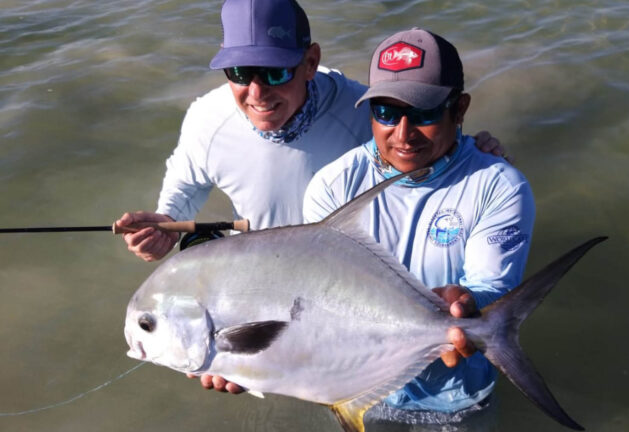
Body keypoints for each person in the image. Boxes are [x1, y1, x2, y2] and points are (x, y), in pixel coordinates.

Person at [115, 0, 505, 263]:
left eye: (275, 72)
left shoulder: (361, 113)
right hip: (263, 277)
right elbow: (186, 188)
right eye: (239, 72)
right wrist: (166, 224)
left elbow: (424, 150)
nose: (256, 92)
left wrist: (473, 153)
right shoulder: (206, 120)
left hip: (354, 273)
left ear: (311, 61)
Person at [302, 28, 535, 424]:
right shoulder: (332, 185)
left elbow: (493, 287)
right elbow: (319, 296)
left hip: (457, 396)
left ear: (459, 109)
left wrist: (468, 302)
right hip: (361, 389)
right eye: (386, 113)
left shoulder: (499, 186)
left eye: (424, 114)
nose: (403, 134)